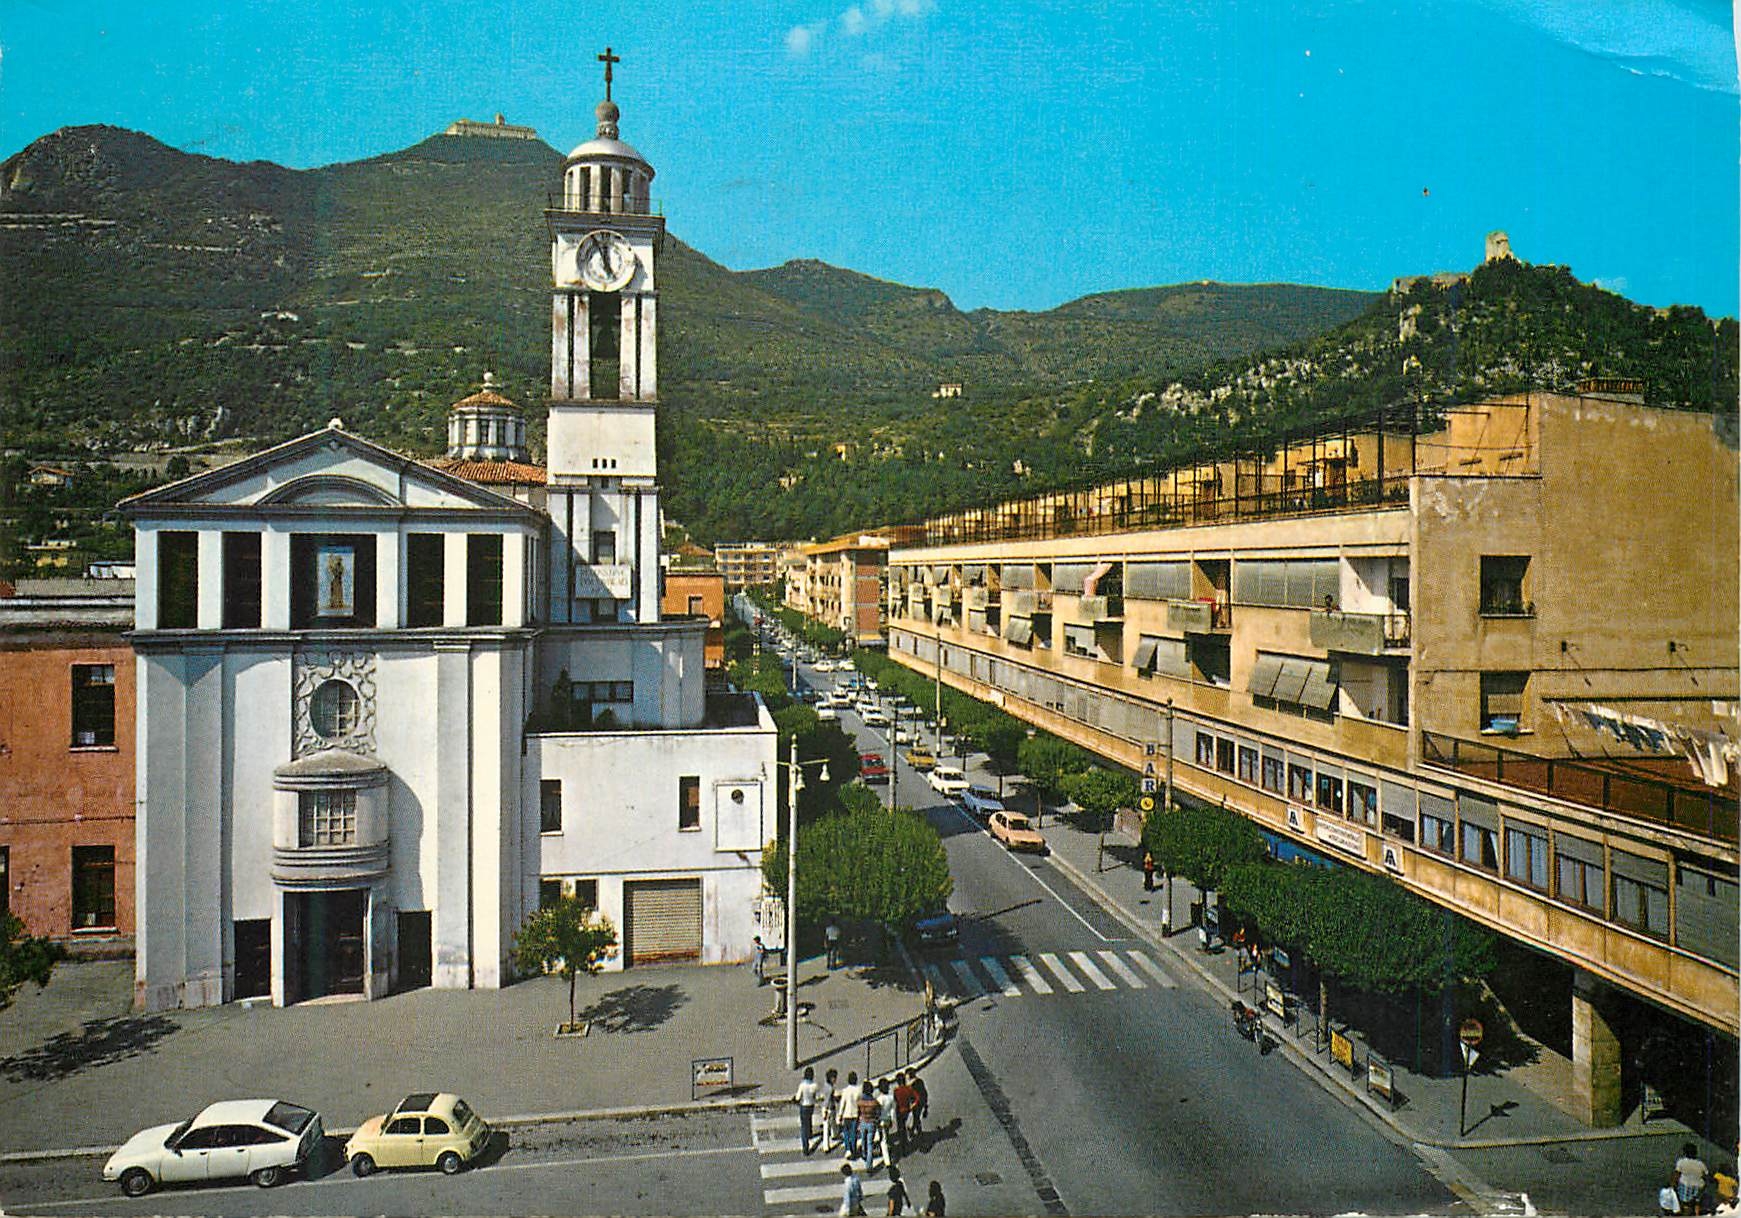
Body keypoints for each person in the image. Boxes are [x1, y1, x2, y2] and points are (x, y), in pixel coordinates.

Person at [1677, 1142, 1710, 1214]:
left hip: (1685, 1185)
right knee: (1697, 1202)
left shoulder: (1681, 1162)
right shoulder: (1700, 1164)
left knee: (1685, 1202)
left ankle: (1686, 1210)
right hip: (1698, 1186)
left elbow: (1677, 1174)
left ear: (1684, 1152)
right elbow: (1706, 1175)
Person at [837, 1072, 862, 1162]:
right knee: (853, 1133)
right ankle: (854, 1149)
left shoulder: (845, 1090)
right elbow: (859, 1103)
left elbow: (842, 1103)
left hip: (846, 1114)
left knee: (846, 1133)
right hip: (855, 1114)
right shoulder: (859, 1090)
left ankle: (848, 1149)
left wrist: (840, 1114)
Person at [795, 1066, 820, 1155]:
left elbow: (798, 1097)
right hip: (811, 1105)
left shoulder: (802, 1085)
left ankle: (805, 1147)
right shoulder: (814, 1085)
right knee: (809, 1120)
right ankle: (810, 1134)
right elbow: (816, 1097)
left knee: (803, 1126)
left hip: (804, 1105)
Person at [857, 1082, 882, 1167]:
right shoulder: (874, 1102)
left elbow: (858, 1111)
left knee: (863, 1140)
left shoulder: (860, 1101)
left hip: (863, 1122)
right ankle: (869, 1163)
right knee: (870, 1143)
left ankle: (864, 1154)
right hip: (871, 1123)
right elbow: (878, 1113)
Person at [893, 1073, 919, 1152]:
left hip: (899, 1111)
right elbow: (917, 1098)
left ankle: (903, 1146)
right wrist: (912, 1105)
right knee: (906, 1127)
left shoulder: (896, 1091)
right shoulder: (909, 1089)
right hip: (907, 1110)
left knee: (901, 1129)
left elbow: (895, 1101)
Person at [877, 1079, 898, 1163]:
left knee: (883, 1141)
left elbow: (877, 1112)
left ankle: (887, 1160)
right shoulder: (891, 1098)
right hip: (888, 1119)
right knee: (886, 1135)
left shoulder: (879, 1099)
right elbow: (893, 1110)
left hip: (881, 1120)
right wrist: (892, 1120)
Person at [819, 1068, 839, 1152]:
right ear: (831, 1078)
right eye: (834, 1078)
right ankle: (828, 1143)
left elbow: (822, 1097)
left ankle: (832, 1137)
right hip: (829, 1108)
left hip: (826, 1107)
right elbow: (828, 1100)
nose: (836, 1079)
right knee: (829, 1124)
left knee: (829, 1124)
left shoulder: (826, 1086)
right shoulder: (830, 1088)